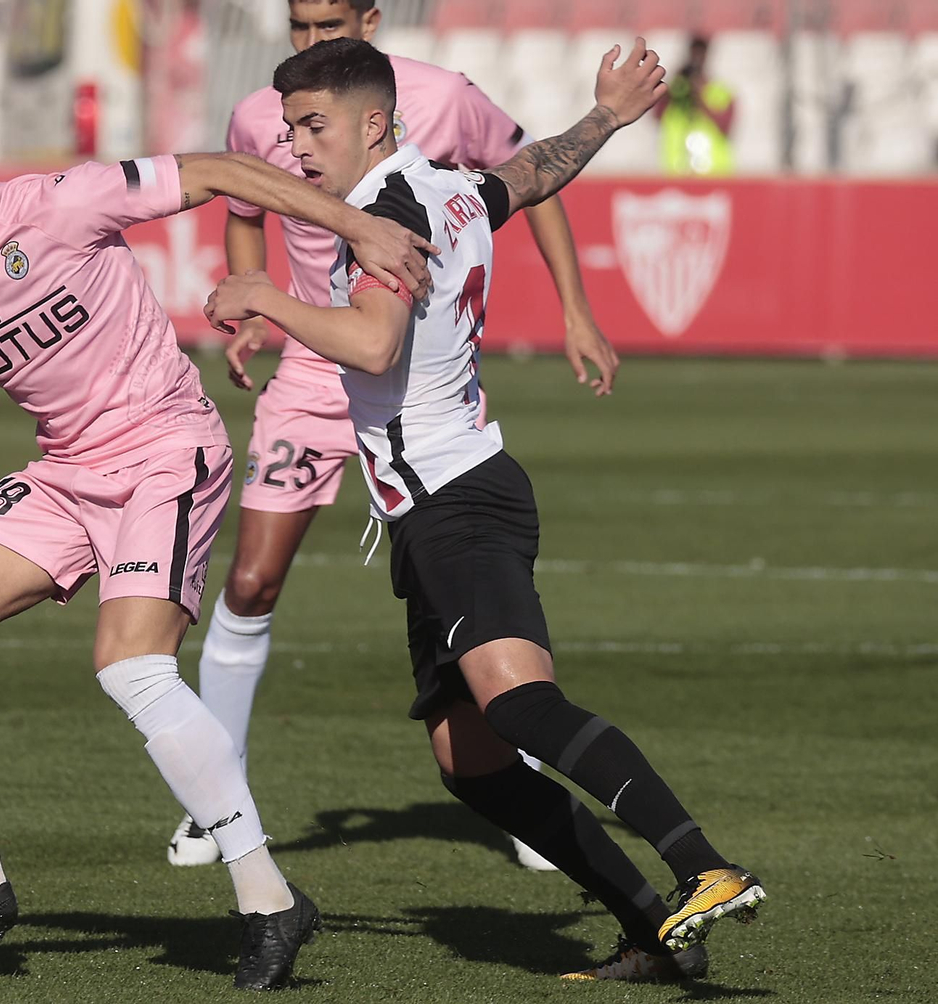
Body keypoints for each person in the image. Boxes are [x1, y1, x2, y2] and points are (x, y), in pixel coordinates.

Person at [0, 111, 430, 990]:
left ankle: (269, 899)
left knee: (132, 668)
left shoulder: (66, 205)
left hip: (166, 452)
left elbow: (221, 170)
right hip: (69, 473)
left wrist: (358, 226)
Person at [205, 37, 767, 983]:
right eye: (290, 127)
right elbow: (532, 172)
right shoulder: (447, 186)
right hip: (441, 503)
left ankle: (701, 865)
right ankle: (650, 931)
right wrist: (606, 116)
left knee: (521, 705)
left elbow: (373, 345)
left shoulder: (388, 211)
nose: (294, 146)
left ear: (374, 123)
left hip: (456, 500)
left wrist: (267, 295)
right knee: (471, 762)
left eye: (312, 126)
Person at [168, 0, 619, 872]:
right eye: (299, 24)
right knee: (251, 581)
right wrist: (257, 305)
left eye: (329, 21)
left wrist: (575, 309)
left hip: (410, 378)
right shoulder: (264, 111)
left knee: (472, 596)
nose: (312, 39)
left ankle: (528, 798)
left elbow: (528, 175)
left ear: (370, 19)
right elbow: (245, 213)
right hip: (313, 366)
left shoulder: (444, 95)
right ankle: (215, 805)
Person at [654, 35, 735, 176]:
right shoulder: (677, 92)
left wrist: (700, 98)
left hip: (715, 174)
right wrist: (674, 84)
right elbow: (658, 115)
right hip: (676, 173)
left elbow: (725, 127)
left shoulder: (721, 92)